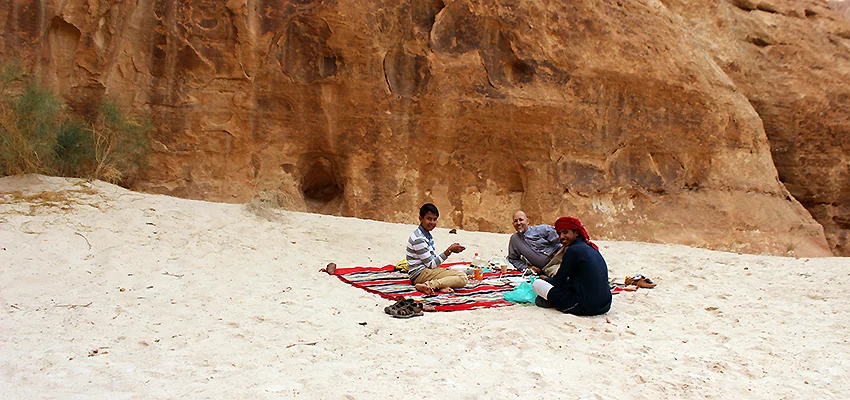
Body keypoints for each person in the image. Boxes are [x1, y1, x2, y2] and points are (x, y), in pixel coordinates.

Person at [531, 216, 611, 316]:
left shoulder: (573, 251)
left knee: (537, 284)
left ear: (576, 233)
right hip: (605, 305)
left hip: (586, 306)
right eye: (559, 233)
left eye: (565, 232)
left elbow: (558, 281)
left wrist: (545, 280)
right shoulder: (591, 248)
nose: (561, 237)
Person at [406, 203, 468, 295]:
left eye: (434, 219)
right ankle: (429, 285)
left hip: (426, 271)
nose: (432, 222)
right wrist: (449, 251)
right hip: (419, 274)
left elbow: (432, 261)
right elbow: (431, 264)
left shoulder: (426, 235)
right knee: (462, 278)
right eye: (429, 219)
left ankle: (441, 286)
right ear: (420, 219)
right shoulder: (419, 238)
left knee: (454, 273)